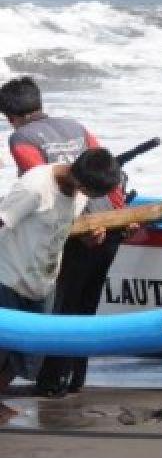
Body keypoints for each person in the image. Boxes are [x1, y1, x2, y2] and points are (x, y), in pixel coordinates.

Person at [0, 76, 127, 396]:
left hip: (76, 230)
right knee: (84, 305)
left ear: (9, 117)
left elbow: (40, 177)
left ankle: (52, 382)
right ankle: (74, 379)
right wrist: (119, 215)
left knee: (60, 310)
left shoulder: (22, 139)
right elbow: (107, 163)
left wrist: (85, 226)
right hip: (106, 224)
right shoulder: (74, 124)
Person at [0, 149, 122, 418]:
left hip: (43, 280)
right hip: (8, 276)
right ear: (81, 183)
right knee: (3, 348)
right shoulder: (35, 187)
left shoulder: (77, 193)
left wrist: (88, 238)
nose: (92, 200)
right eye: (94, 194)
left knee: (31, 353)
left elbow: (60, 228)